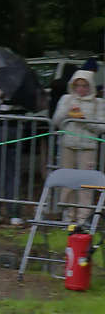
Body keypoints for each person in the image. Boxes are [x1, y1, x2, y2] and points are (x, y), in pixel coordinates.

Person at [0, 70, 41, 226]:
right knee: (13, 173)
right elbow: (27, 111)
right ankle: (14, 214)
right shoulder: (23, 93)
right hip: (16, 132)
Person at [51, 70, 103, 221]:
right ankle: (68, 217)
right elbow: (55, 121)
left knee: (86, 184)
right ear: (72, 86)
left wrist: (84, 119)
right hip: (68, 146)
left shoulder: (98, 103)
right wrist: (67, 113)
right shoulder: (66, 99)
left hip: (88, 148)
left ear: (90, 86)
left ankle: (82, 219)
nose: (81, 89)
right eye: (77, 85)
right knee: (67, 182)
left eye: (84, 86)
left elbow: (101, 127)